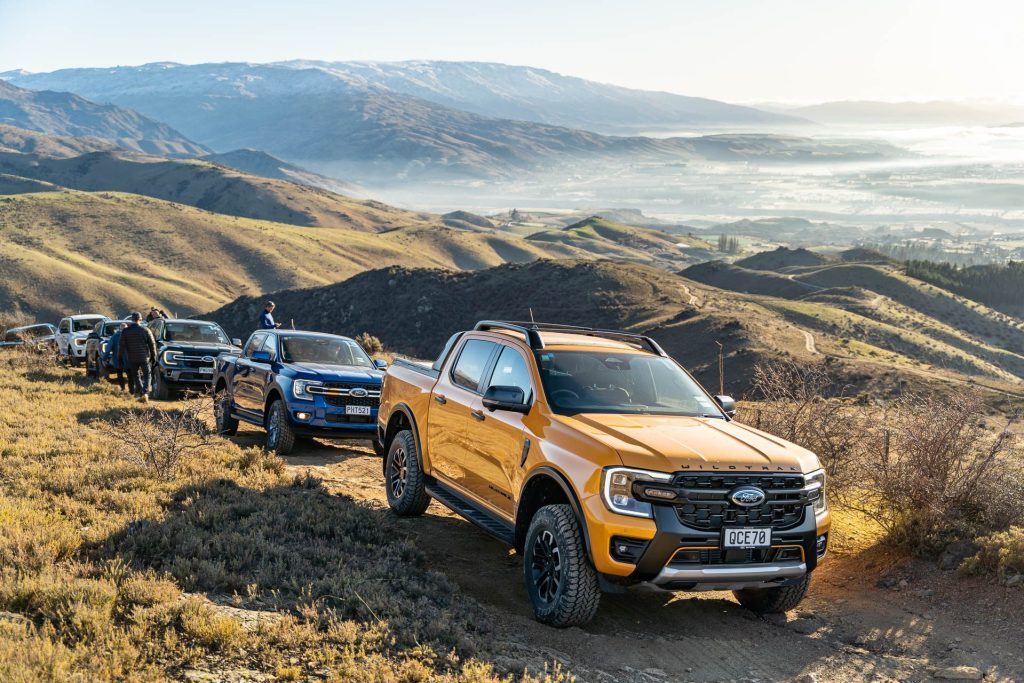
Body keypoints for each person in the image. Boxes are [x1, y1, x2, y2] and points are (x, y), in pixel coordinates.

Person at [119, 312, 157, 402]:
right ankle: (145, 392)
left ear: (132, 319)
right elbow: (152, 344)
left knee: (136, 375)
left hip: (132, 358)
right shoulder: (146, 330)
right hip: (144, 358)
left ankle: (140, 392)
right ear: (140, 319)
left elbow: (121, 346)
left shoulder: (125, 331)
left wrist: (119, 358)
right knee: (147, 375)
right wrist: (154, 356)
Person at [107, 322, 129, 391]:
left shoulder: (114, 337)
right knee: (130, 375)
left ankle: (123, 388)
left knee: (120, 374)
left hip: (117, 359)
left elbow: (108, 349)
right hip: (128, 360)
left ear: (119, 328)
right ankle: (132, 390)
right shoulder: (130, 336)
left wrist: (104, 358)